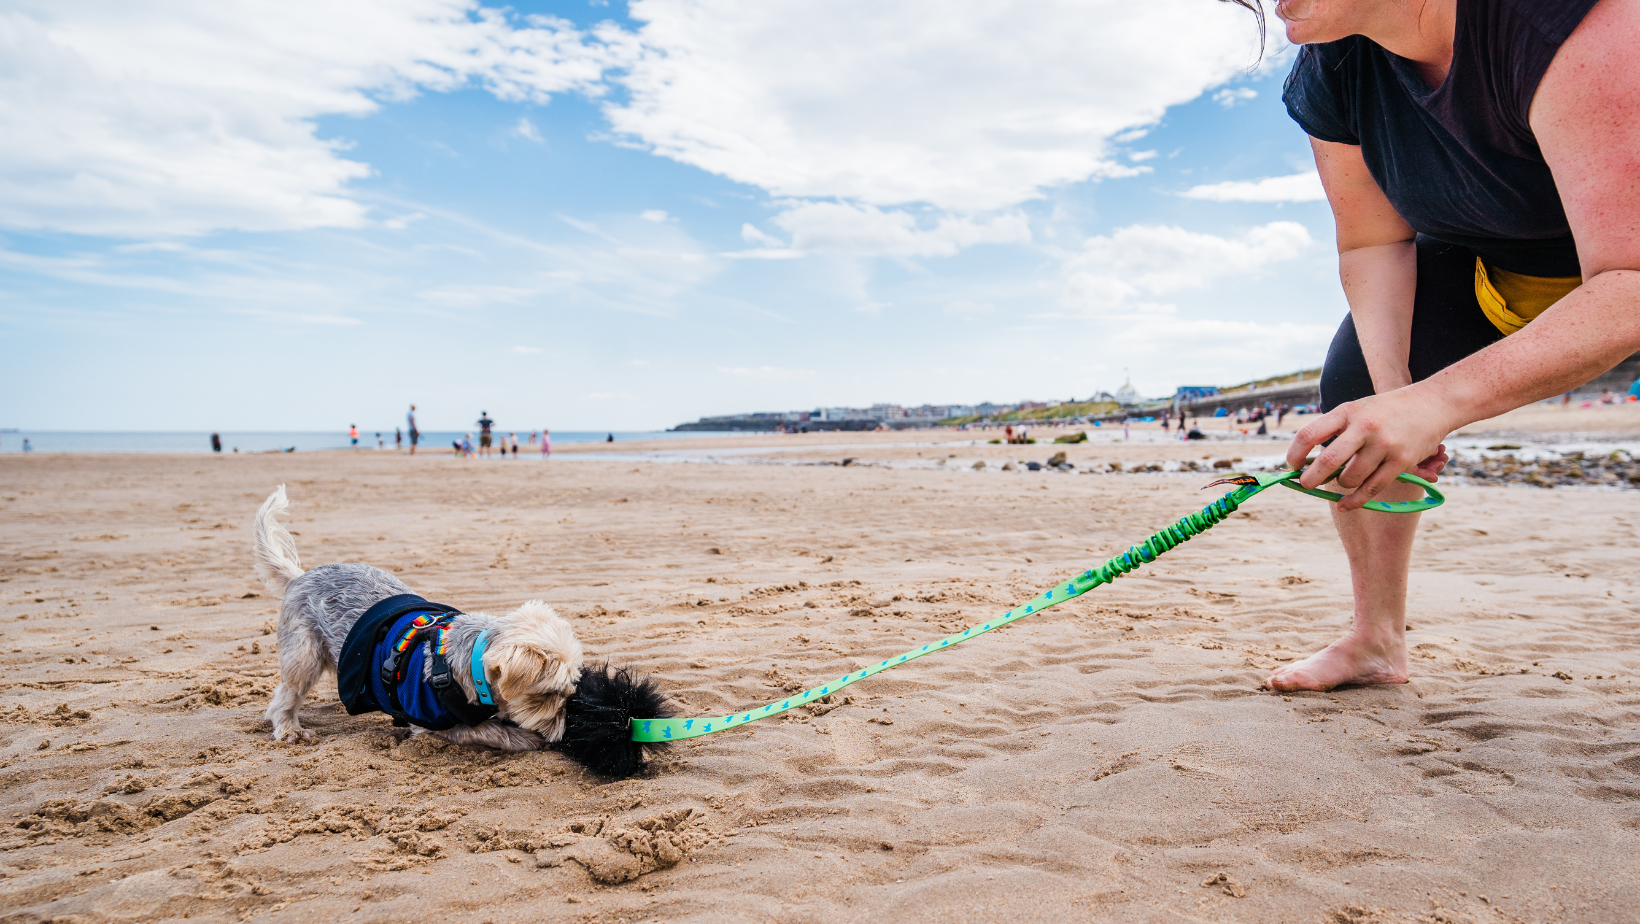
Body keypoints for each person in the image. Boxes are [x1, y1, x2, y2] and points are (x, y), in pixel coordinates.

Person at [1257, 0, 1640, 692]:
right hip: (1507, 267)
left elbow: (1629, 281)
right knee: (1356, 387)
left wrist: (1437, 403)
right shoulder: (1337, 58)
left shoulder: (1561, 22)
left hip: (1620, 267)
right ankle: (1375, 641)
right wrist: (1396, 398)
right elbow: (1375, 241)